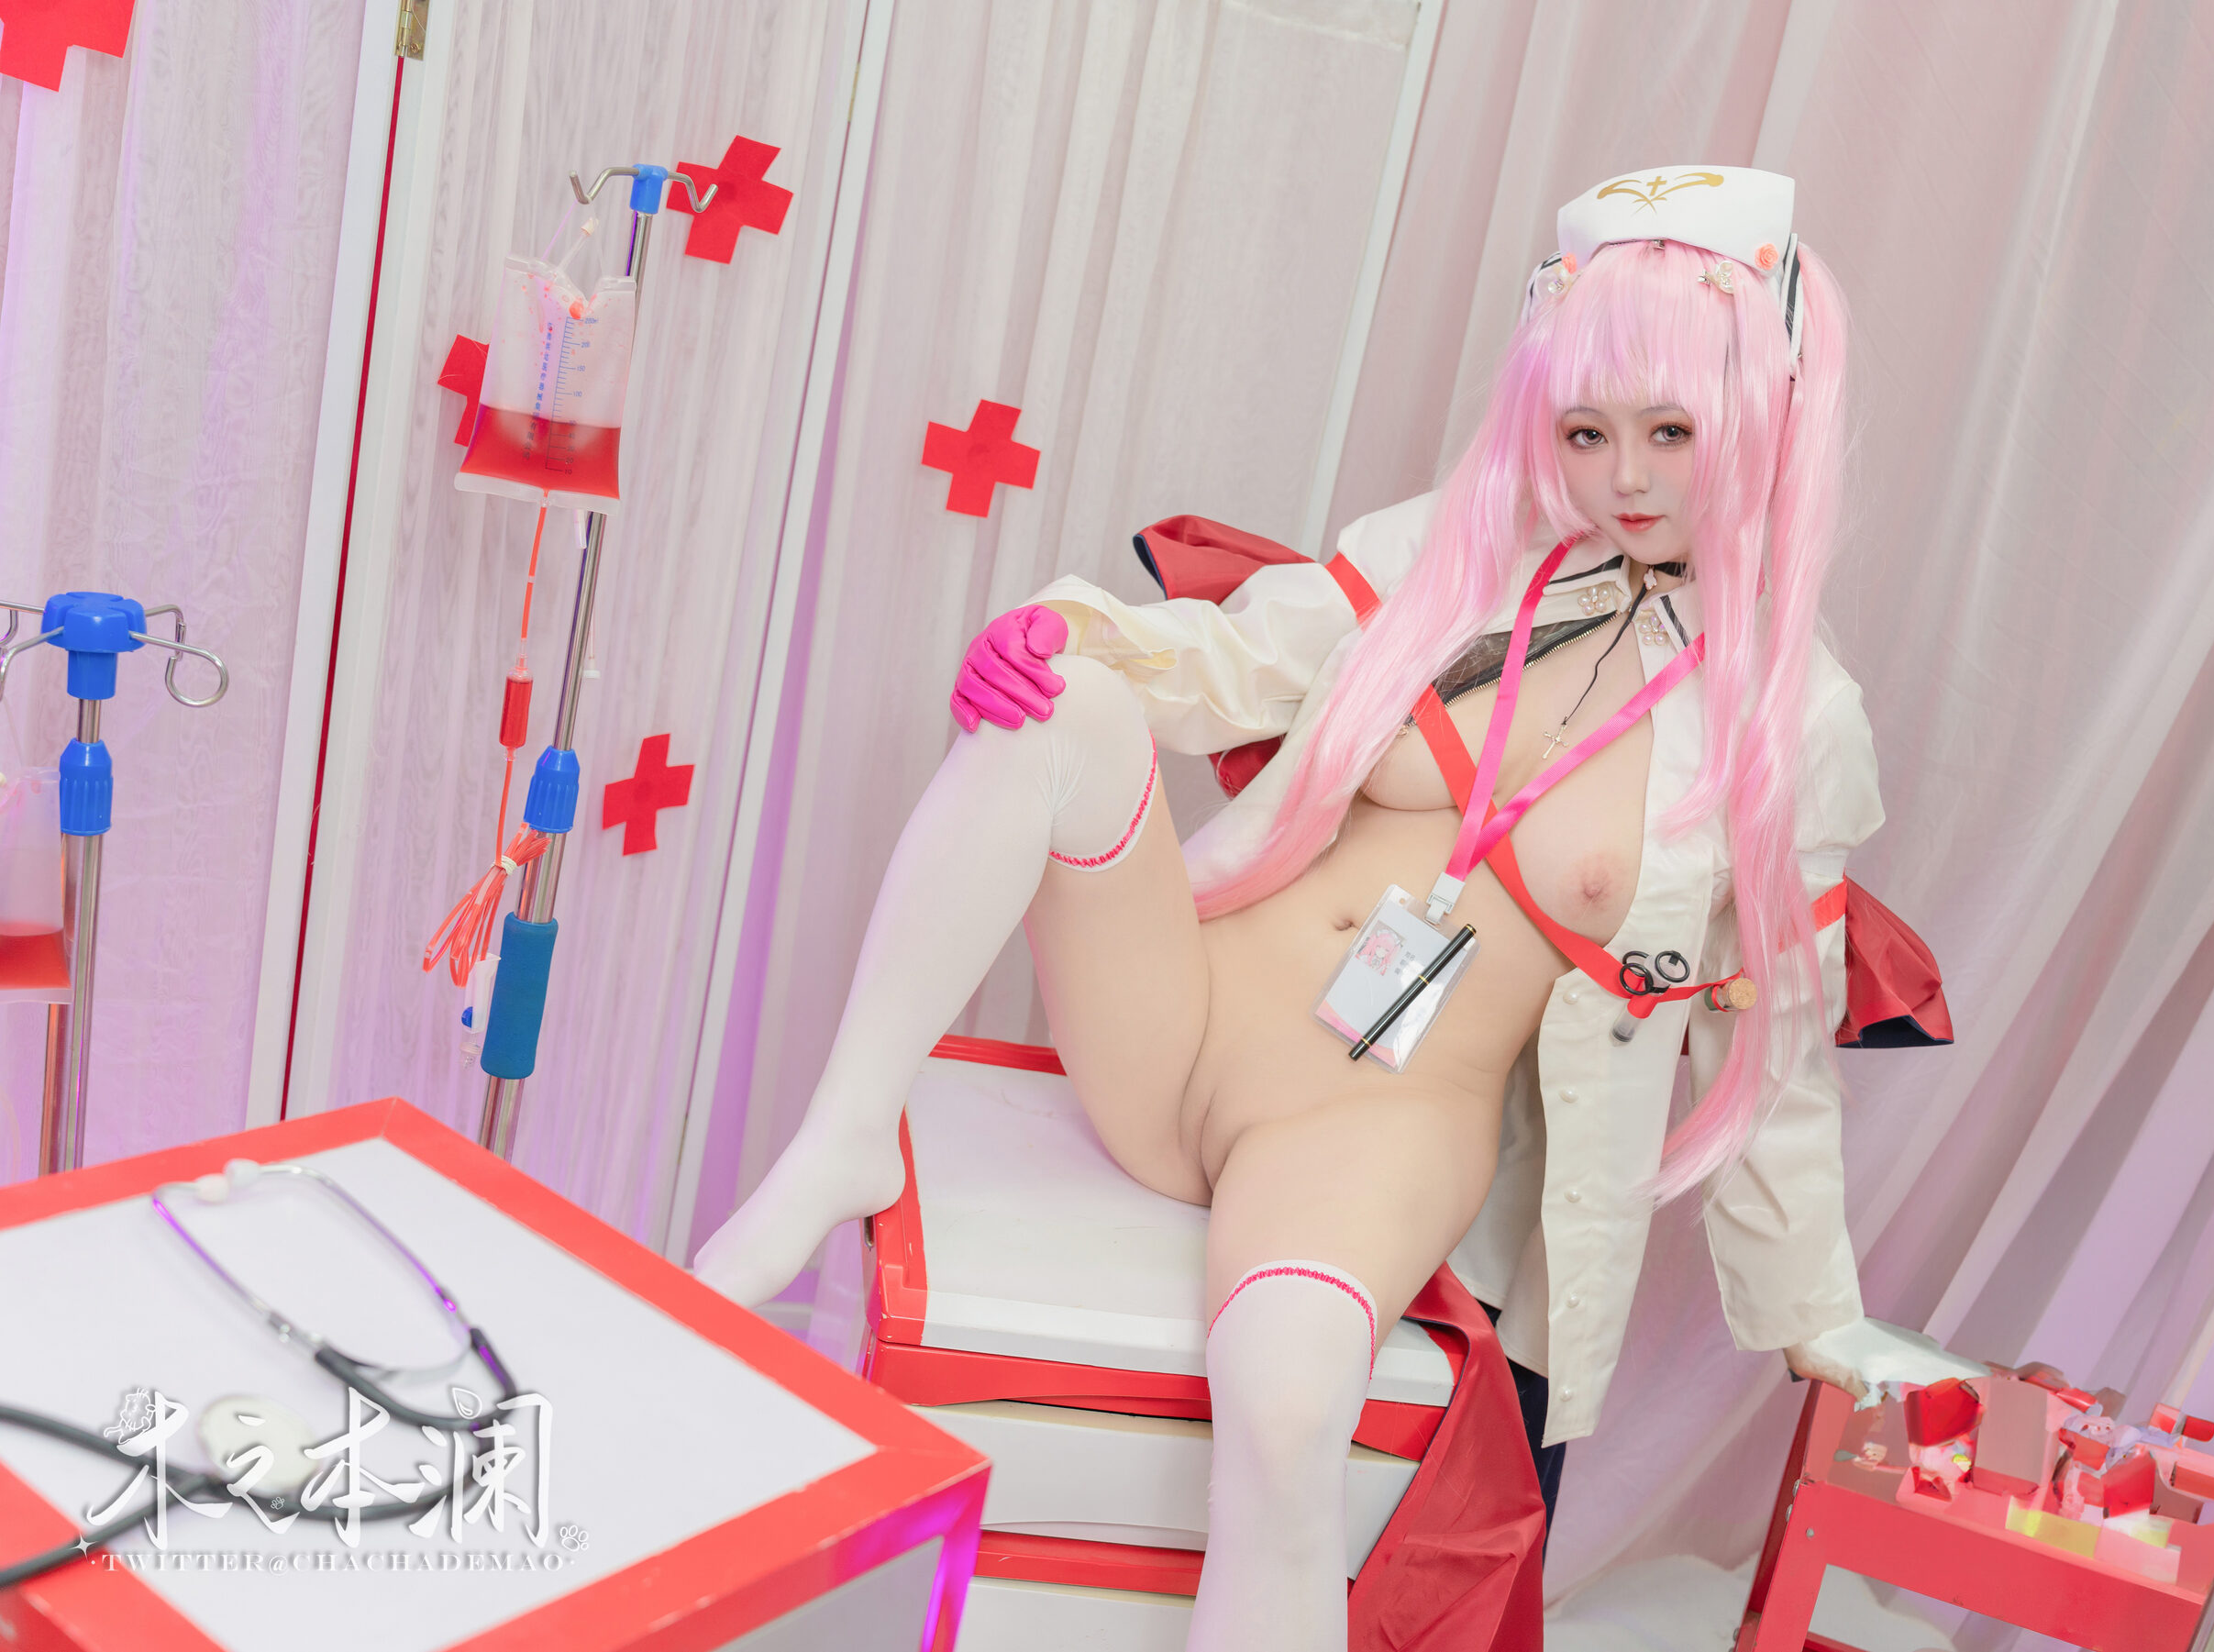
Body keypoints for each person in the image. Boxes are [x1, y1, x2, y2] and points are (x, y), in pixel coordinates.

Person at [694, 164, 1882, 1651]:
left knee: (1288, 1413)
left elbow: (1777, 1048)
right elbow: (1231, 663)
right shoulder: (1457, 551)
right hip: (1186, 1017)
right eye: (1586, 431)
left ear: (1763, 417)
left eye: (1672, 431)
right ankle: (841, 1137)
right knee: (1063, 705)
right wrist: (1063, 635)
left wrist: (1816, 1318)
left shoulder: (1794, 719)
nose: (1624, 475)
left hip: (1372, 1128)